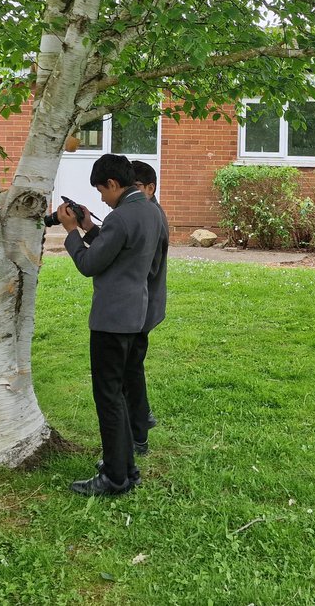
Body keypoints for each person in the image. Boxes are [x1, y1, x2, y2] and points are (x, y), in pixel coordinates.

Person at [59, 154, 166, 496]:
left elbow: (90, 263)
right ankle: (125, 467)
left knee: (108, 398)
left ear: (115, 184)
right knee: (119, 394)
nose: (101, 198)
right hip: (137, 315)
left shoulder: (121, 218)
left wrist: (73, 232)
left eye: (102, 191)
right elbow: (120, 249)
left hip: (112, 320)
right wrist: (91, 227)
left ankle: (115, 478)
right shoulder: (151, 211)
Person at [128, 159, 168, 455]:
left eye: (136, 187)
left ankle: (139, 433)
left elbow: (147, 268)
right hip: (142, 304)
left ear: (150, 189)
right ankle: (142, 418)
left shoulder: (151, 216)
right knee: (132, 367)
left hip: (141, 306)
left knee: (130, 369)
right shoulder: (147, 211)